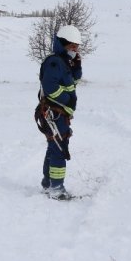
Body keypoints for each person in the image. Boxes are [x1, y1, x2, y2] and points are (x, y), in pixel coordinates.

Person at [35, 25, 83, 200]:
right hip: (54, 113)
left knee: (53, 147)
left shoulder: (64, 62)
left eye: (77, 46)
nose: (75, 49)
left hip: (59, 113)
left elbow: (73, 81)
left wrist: (77, 66)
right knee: (59, 150)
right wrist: (67, 100)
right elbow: (50, 88)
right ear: (62, 44)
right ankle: (56, 189)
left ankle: (48, 184)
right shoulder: (55, 62)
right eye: (72, 46)